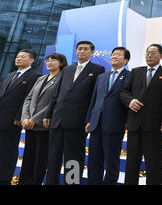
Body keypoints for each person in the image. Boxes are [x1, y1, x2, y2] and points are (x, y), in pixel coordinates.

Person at [44, 41, 105, 185]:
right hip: (57, 119)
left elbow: (95, 97)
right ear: (76, 51)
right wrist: (48, 114)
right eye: (79, 49)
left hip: (78, 121)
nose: (82, 52)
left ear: (92, 52)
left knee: (73, 157)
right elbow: (56, 94)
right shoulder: (67, 69)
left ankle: (71, 183)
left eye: (85, 49)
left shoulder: (98, 69)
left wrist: (90, 119)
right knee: (53, 157)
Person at [120, 44, 162, 185]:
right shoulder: (136, 71)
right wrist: (130, 101)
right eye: (147, 52)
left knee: (154, 163)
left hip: (155, 126)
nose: (149, 55)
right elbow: (124, 92)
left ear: (161, 56)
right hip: (134, 124)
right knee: (131, 163)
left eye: (153, 53)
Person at [19, 53, 67, 185]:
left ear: (61, 63)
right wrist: (25, 118)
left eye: (53, 60)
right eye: (47, 60)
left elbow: (54, 102)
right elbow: (28, 99)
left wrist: (35, 118)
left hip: (44, 125)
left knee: (40, 159)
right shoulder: (41, 78)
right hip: (29, 125)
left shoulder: (62, 79)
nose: (49, 62)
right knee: (28, 157)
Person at [85, 47, 131, 185]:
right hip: (96, 123)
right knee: (94, 160)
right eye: (113, 54)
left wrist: (127, 121)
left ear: (126, 60)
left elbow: (129, 99)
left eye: (118, 55)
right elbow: (94, 99)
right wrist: (89, 119)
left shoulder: (130, 76)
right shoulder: (102, 76)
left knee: (111, 161)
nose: (114, 56)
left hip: (115, 123)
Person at [0, 49, 41, 185]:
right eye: (17, 56)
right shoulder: (10, 75)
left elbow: (28, 99)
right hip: (1, 116)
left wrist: (20, 117)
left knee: (8, 150)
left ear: (31, 60)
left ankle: (5, 177)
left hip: (13, 120)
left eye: (22, 57)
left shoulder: (34, 76)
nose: (18, 58)